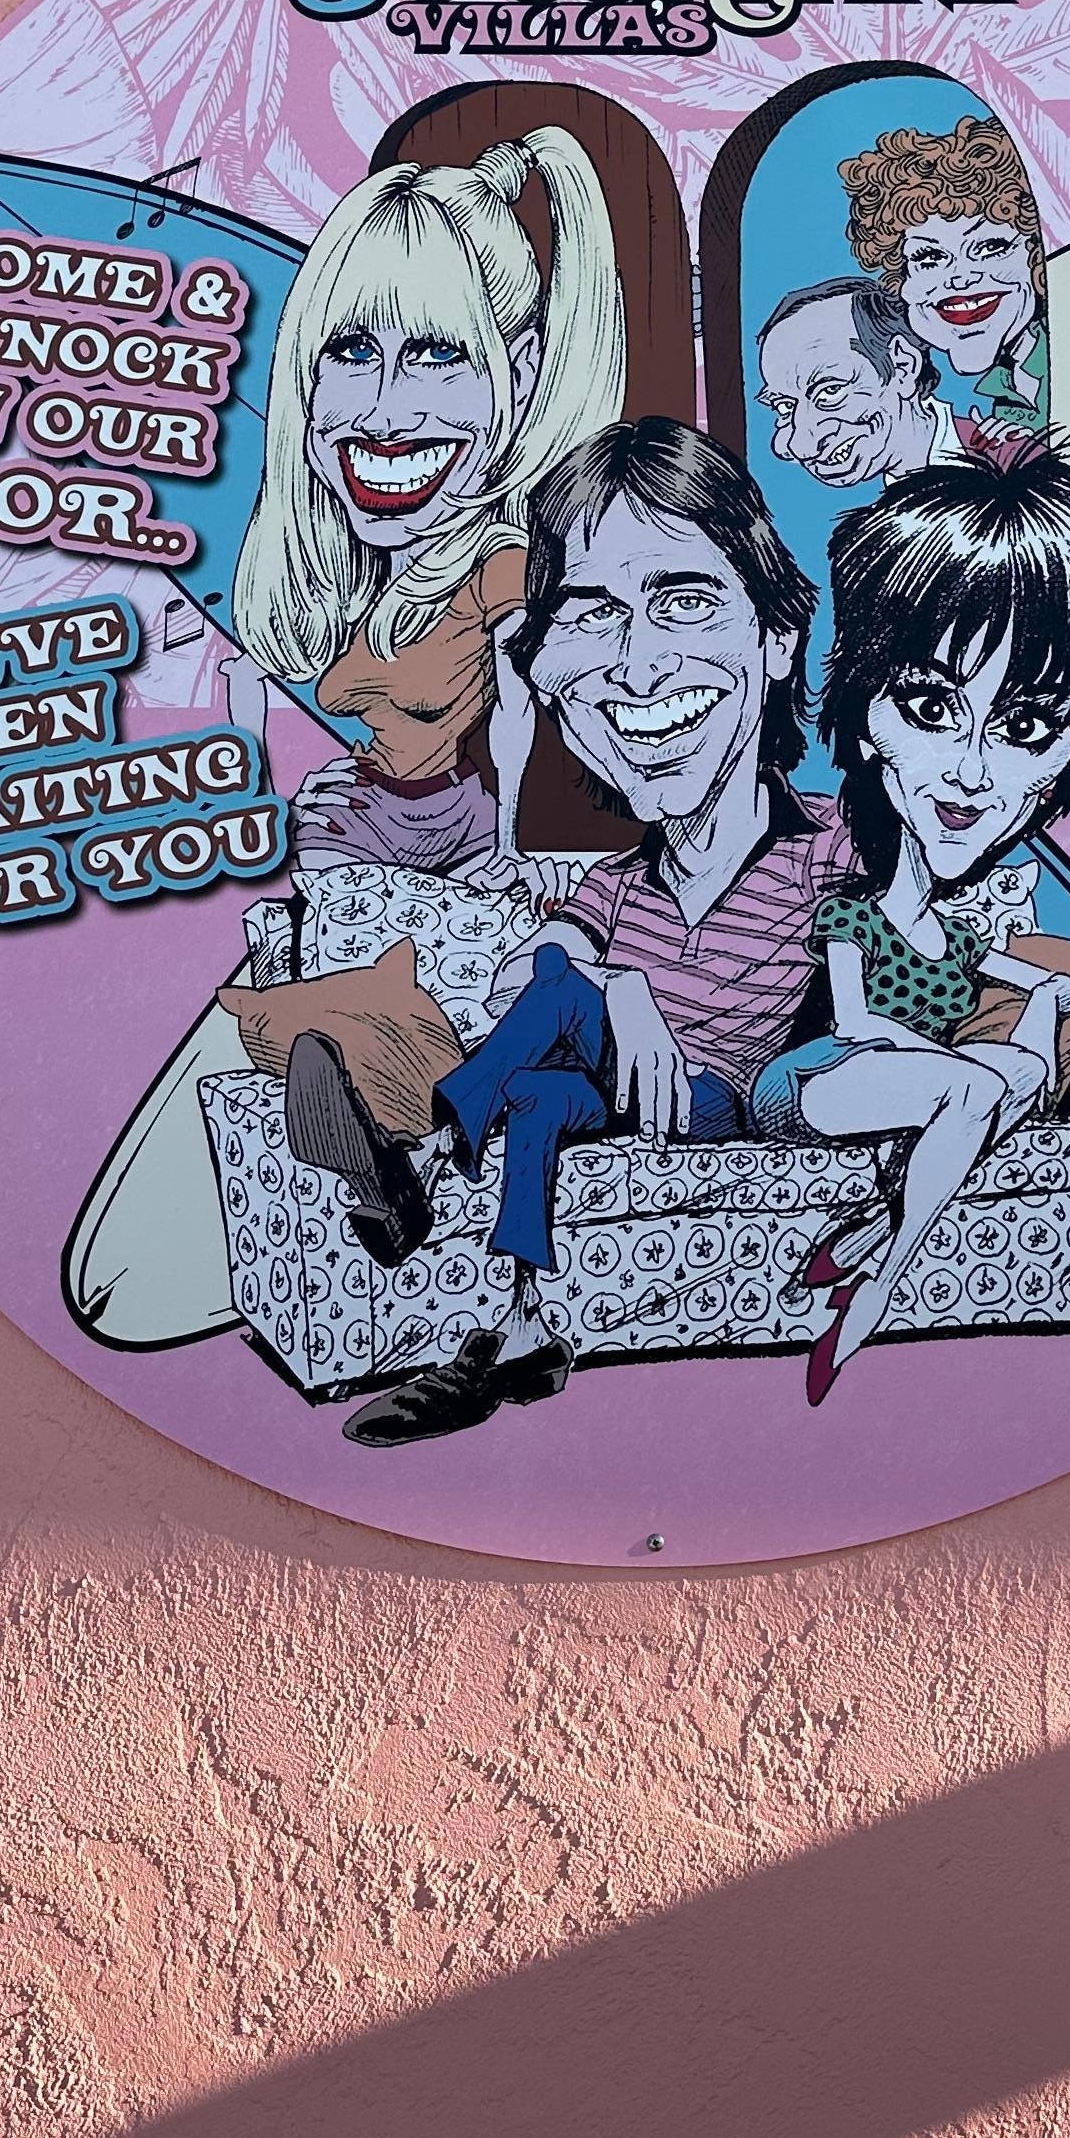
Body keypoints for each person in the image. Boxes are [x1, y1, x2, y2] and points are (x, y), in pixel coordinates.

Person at [280, 419, 851, 1446]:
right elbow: (544, 957)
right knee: (541, 1091)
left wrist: (621, 991)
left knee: (562, 999)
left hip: (718, 1096)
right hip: (628, 1091)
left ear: (777, 640)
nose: (637, 665)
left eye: (685, 599)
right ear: (544, 669)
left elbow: (918, 927)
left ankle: (425, 1152)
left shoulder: (831, 844)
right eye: (591, 615)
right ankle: (520, 1325)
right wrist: (614, 985)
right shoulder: (621, 881)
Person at [748, 449, 1070, 1402]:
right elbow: (854, 1025)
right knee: (974, 1084)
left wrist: (1044, 1003)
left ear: (1068, 755)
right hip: (810, 1082)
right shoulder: (847, 900)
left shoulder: (965, 940)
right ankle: (883, 1283)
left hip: (912, 1087)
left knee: (1011, 1072)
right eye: (931, 707)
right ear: (864, 716)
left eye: (1025, 727)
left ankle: (873, 1233)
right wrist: (944, 1057)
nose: (971, 772)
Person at [230, 130, 624, 877]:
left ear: (522, 373)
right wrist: (264, 800)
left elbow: (517, 714)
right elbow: (247, 677)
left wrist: (512, 845)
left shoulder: (501, 565)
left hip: (468, 822)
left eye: (439, 355)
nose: (384, 413)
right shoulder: (344, 569)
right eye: (351, 351)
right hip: (354, 816)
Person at [841, 113, 1048, 442]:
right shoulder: (1008, 385)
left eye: (990, 248)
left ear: (1037, 256)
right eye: (929, 258)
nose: (960, 278)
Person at [755, 273, 956, 490]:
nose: (801, 448)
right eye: (785, 406)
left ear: (902, 365)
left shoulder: (983, 456)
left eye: (831, 390)